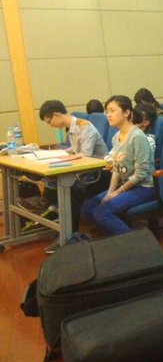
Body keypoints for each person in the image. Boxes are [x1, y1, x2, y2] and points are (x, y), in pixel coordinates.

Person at [26, 100, 109, 250]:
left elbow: (86, 157)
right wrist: (59, 154)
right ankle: (55, 215)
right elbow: (75, 150)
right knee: (53, 182)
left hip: (100, 172)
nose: (50, 125)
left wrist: (66, 158)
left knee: (70, 188)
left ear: (56, 115)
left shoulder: (84, 127)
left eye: (49, 121)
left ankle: (68, 234)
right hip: (85, 171)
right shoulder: (72, 128)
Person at [81, 96, 155, 235]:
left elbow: (141, 174)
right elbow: (116, 170)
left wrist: (117, 192)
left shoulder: (137, 137)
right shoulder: (116, 137)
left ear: (126, 112)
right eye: (107, 111)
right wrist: (110, 192)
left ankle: (133, 241)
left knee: (102, 212)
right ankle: (114, 238)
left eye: (112, 110)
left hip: (143, 187)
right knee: (88, 208)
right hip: (126, 185)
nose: (108, 115)